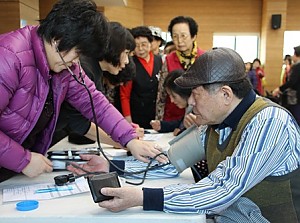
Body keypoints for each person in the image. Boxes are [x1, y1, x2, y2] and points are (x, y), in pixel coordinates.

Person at [68, 48, 300, 223]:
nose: (189, 102)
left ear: (225, 94)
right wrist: (111, 167)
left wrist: (142, 197)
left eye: (195, 95)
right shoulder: (213, 123)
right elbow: (170, 162)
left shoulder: (269, 122)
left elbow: (223, 189)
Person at [0, 0, 166, 183]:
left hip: (13, 164)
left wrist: (130, 140)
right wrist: (24, 160)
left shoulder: (64, 65)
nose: (76, 62)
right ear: (59, 39)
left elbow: (96, 103)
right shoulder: (8, 57)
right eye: (77, 54)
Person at [51, 22, 143, 149]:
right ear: (113, 48)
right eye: (126, 53)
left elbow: (101, 110)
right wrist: (123, 141)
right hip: (55, 139)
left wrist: (123, 130)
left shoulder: (95, 70)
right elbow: (81, 123)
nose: (127, 61)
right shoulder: (86, 69)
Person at [156, 16, 205, 123]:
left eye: (183, 36)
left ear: (193, 36)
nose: (179, 41)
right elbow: (162, 94)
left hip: (197, 117)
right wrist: (159, 121)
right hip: (172, 116)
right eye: (175, 36)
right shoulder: (168, 59)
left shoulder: (204, 58)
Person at [119, 26, 162, 129]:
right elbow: (124, 95)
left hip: (155, 115)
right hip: (137, 115)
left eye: (144, 44)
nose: (141, 49)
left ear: (150, 43)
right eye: (137, 45)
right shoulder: (129, 63)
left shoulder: (159, 60)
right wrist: (128, 119)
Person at [150, 69, 195, 136]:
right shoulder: (189, 108)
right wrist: (162, 125)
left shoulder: (197, 110)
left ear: (184, 92)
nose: (172, 100)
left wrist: (182, 132)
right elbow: (181, 122)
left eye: (174, 96)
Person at [273, 45, 300, 126]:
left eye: (293, 54)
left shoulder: (297, 67)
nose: (292, 57)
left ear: (297, 55)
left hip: (295, 97)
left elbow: (292, 81)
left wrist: (279, 89)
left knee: (296, 119)